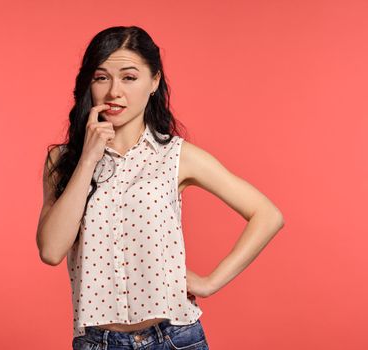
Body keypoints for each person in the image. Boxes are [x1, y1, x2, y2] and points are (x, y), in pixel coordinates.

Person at [36, 26, 284, 350]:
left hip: (174, 339)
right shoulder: (64, 160)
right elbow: (51, 250)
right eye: (101, 78)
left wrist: (210, 282)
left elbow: (267, 214)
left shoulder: (177, 156)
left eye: (129, 77)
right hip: (99, 342)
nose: (114, 92)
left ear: (153, 82)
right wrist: (88, 159)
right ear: (89, 84)